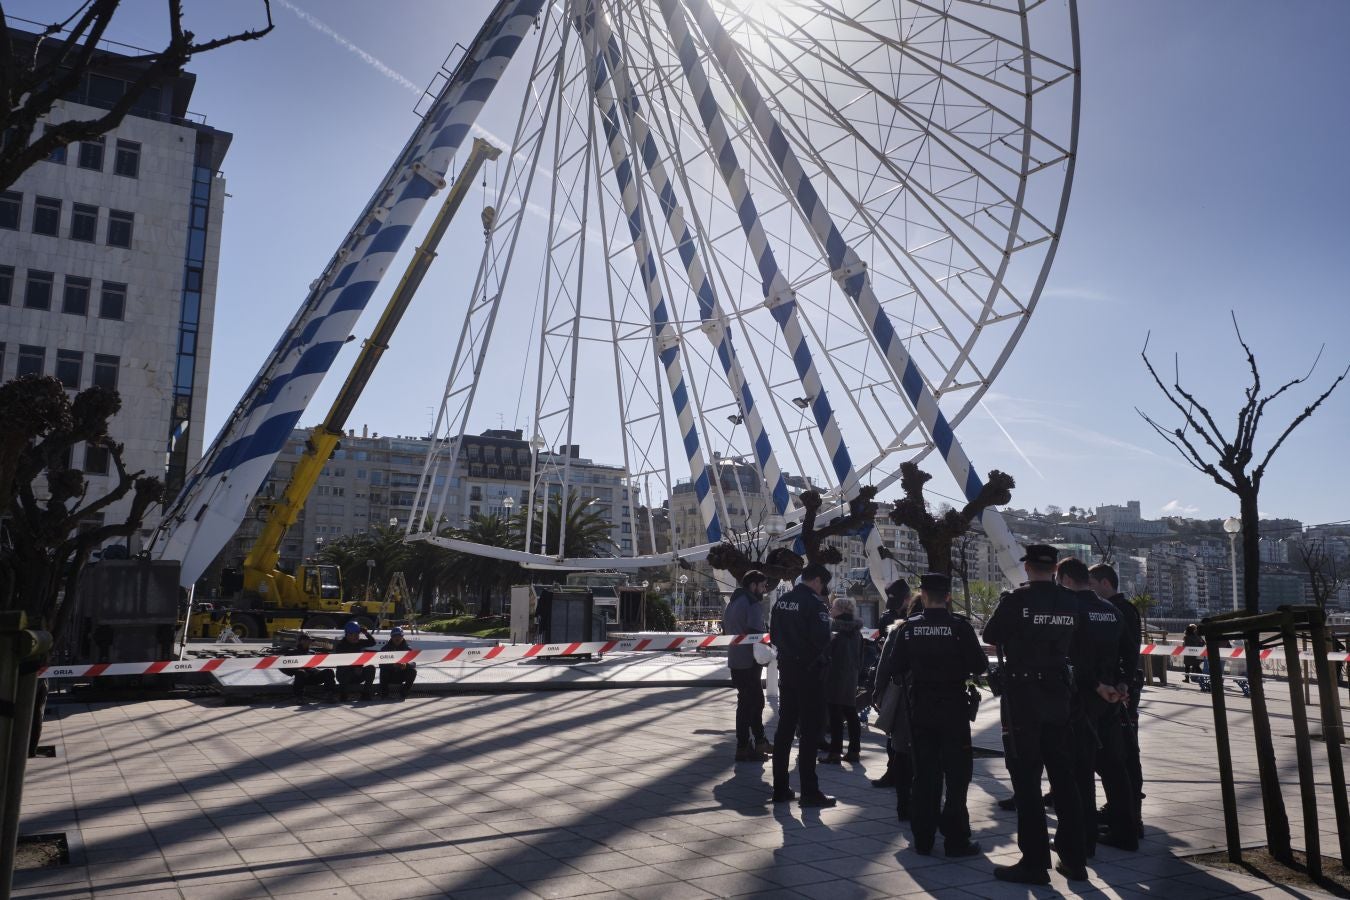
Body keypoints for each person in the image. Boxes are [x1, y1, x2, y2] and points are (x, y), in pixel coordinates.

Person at [983, 544, 1087, 884]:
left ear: (1027, 568)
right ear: (1056, 568)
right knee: (1064, 779)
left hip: (1023, 698)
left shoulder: (1016, 600)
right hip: (1058, 696)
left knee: (1026, 780)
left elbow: (991, 635)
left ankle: (1034, 861)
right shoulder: (1072, 601)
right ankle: (1074, 858)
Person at [893, 573, 987, 857]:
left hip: (922, 708)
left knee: (924, 774)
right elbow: (980, 665)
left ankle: (923, 838)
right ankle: (956, 839)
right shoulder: (959, 627)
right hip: (954, 708)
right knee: (957, 776)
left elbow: (897, 668)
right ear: (947, 596)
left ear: (922, 595)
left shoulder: (909, 628)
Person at [1058, 558, 1137, 855]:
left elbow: (1072, 656)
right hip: (1112, 699)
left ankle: (1085, 838)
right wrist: (1123, 684)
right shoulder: (1111, 610)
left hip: (1083, 698)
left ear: (1065, 579)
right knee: (1115, 767)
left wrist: (1095, 686)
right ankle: (1126, 833)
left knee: (1081, 769)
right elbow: (1130, 650)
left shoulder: (1070, 609)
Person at [769, 562, 835, 808]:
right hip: (810, 673)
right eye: (823, 584)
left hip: (787, 669)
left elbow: (774, 635)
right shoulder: (814, 604)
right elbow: (821, 639)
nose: (822, 590)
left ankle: (780, 787)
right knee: (809, 732)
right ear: (817, 580)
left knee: (785, 728)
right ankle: (809, 791)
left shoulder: (782, 600)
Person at [1088, 562, 1144, 837]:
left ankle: (1131, 815)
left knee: (1124, 755)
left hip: (1120, 692)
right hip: (1118, 688)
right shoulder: (1117, 610)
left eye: (1092, 585)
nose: (1090, 591)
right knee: (1115, 756)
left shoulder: (1120, 611)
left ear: (1105, 584)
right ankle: (1121, 811)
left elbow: (1129, 653)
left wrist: (1123, 684)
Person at [722, 570, 774, 761]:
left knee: (748, 701)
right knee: (750, 704)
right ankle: (744, 746)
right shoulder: (752, 603)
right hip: (749, 660)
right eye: (762, 586)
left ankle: (759, 741)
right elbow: (756, 632)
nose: (764, 590)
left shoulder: (733, 602)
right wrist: (767, 649)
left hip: (735, 658)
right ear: (753, 585)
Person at [872, 579, 913, 790]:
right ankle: (894, 771)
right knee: (895, 732)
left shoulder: (892, 619)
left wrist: (878, 689)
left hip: (898, 683)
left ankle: (896, 772)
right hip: (899, 683)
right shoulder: (894, 620)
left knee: (896, 732)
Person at [821, 596, 864, 764]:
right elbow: (859, 657)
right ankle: (854, 750)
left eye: (833, 607)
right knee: (851, 713)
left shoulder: (835, 631)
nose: (831, 610)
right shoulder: (856, 631)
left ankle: (835, 752)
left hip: (834, 676)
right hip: (851, 676)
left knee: (835, 715)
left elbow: (827, 654)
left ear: (840, 610)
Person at [281, 632, 335, 703]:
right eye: (308, 640)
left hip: (314, 675)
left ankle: (329, 695)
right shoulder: (292, 653)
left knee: (329, 671)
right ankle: (299, 697)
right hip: (302, 678)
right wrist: (294, 672)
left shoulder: (312, 652)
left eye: (310, 640)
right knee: (301, 672)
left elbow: (316, 664)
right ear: (302, 641)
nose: (310, 642)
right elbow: (281, 665)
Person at [333, 621, 377, 701]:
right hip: (345, 675)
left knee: (371, 668)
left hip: (358, 674)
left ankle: (366, 694)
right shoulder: (341, 645)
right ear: (346, 635)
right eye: (351, 635)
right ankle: (343, 695)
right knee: (344, 670)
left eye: (356, 634)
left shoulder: (359, 642)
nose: (354, 637)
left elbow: (372, 642)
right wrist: (354, 668)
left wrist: (366, 633)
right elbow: (342, 661)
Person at [378, 626, 418, 700]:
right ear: (391, 637)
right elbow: (380, 664)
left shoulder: (408, 649)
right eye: (394, 636)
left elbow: (414, 663)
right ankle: (384, 693)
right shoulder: (385, 649)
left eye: (399, 636)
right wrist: (392, 665)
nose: (397, 638)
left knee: (413, 671)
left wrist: (406, 665)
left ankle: (404, 692)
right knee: (383, 670)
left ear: (402, 636)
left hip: (401, 674)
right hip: (390, 675)